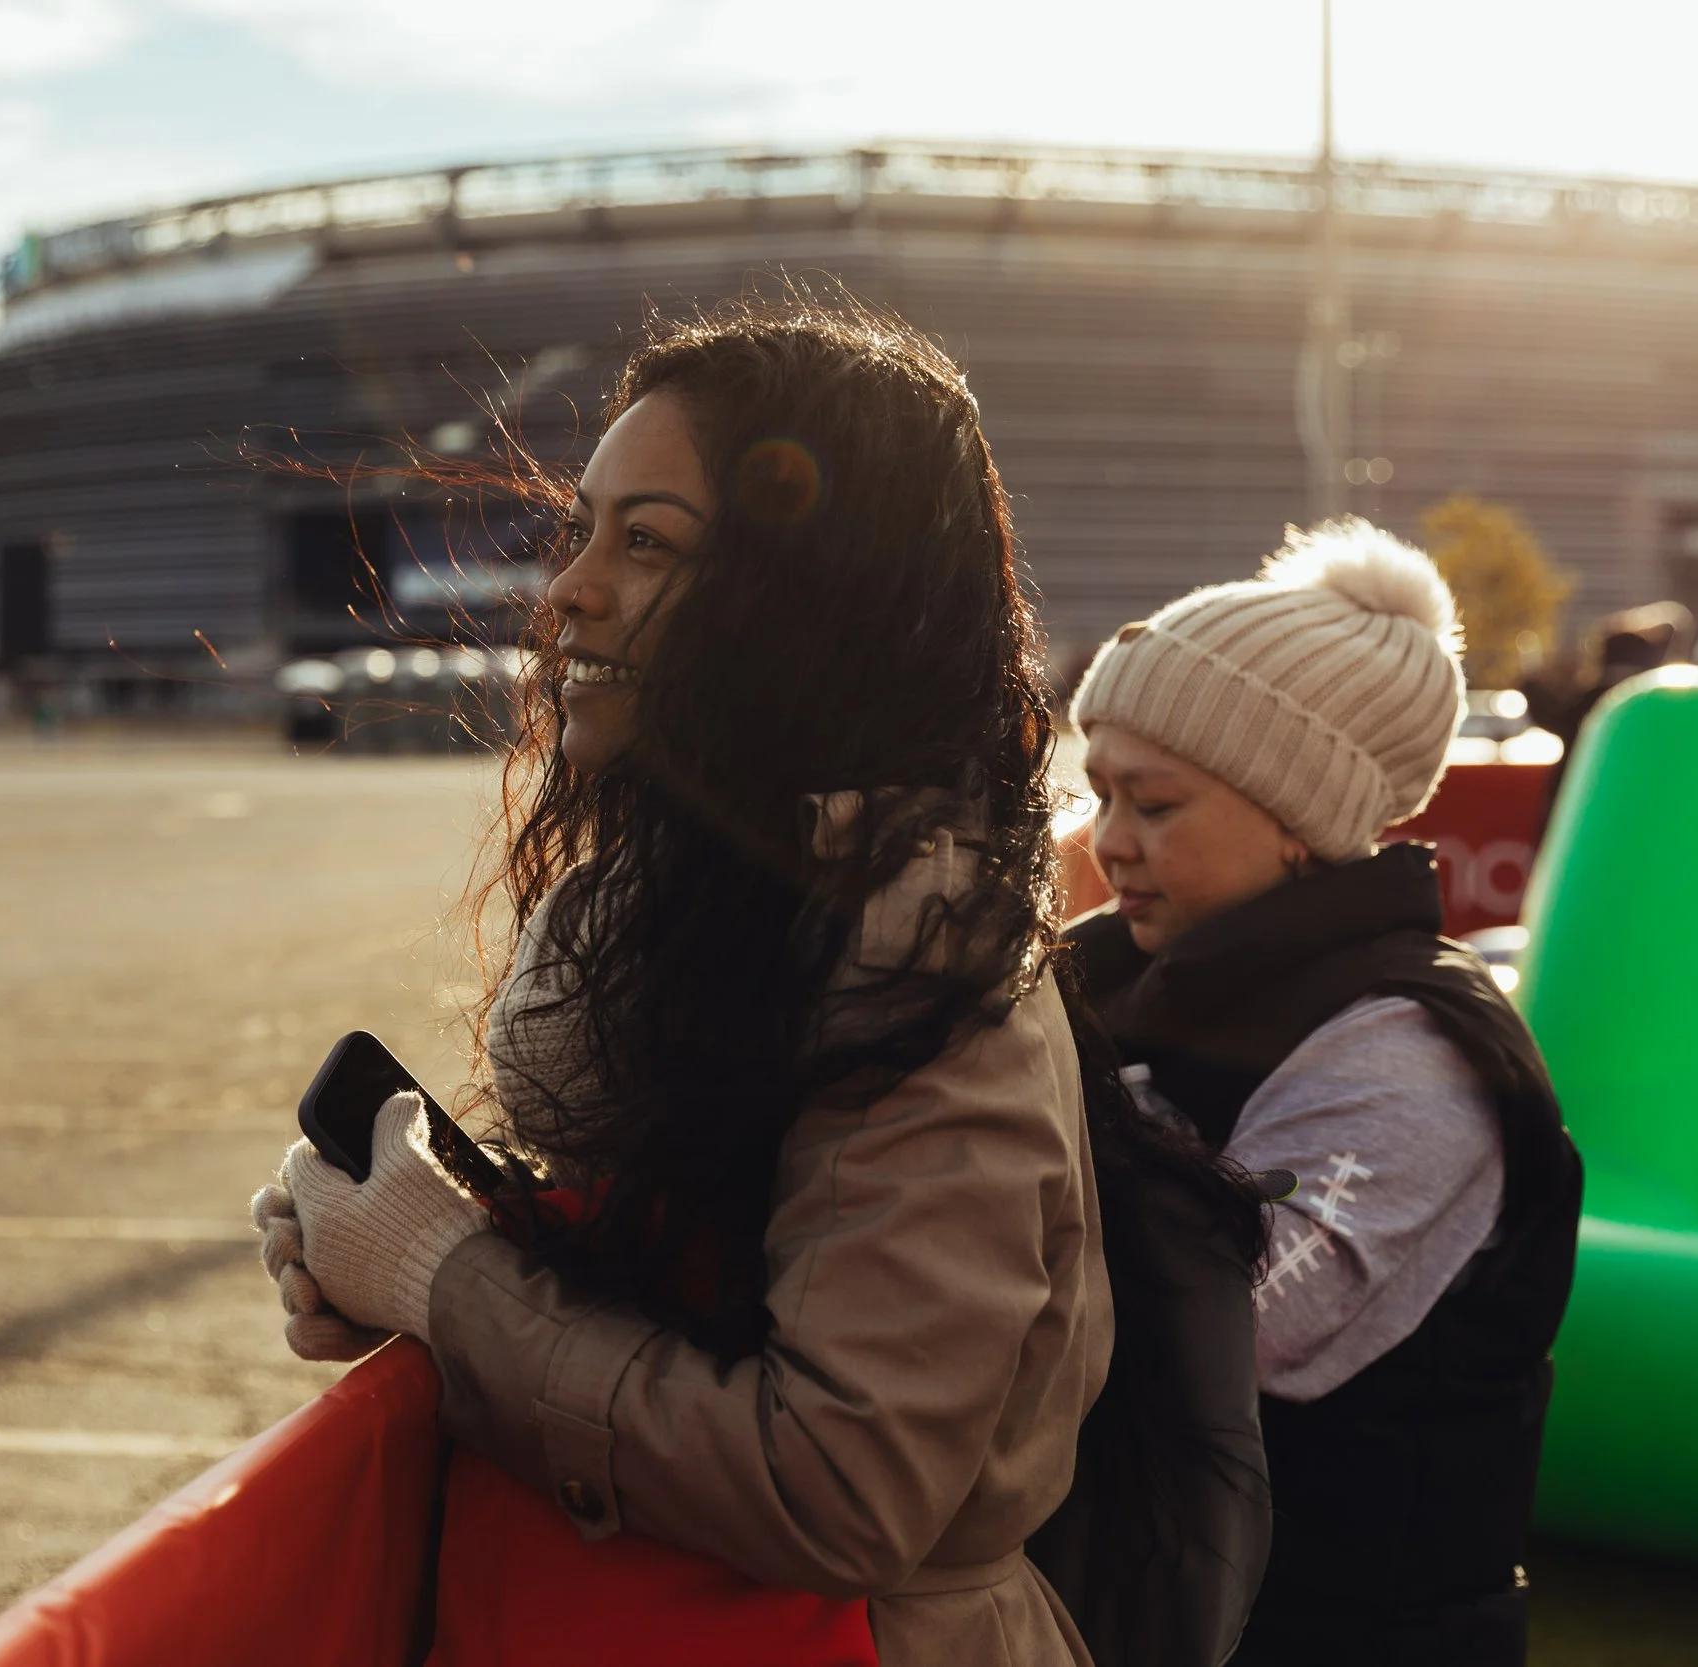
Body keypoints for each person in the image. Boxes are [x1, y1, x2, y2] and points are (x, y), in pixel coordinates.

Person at [252, 295, 1113, 1664]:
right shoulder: (702, 900)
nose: (568, 590)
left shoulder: (910, 936)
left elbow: (839, 1482)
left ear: (817, 598)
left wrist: (446, 1277)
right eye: (579, 530)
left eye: (645, 542)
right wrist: (415, 1232)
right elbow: (716, 1271)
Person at [1067, 520, 1585, 1667]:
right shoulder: (1103, 971)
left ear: (1299, 818)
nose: (1107, 841)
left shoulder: (1411, 1046)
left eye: (1153, 804)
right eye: (1098, 793)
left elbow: (1233, 1333)